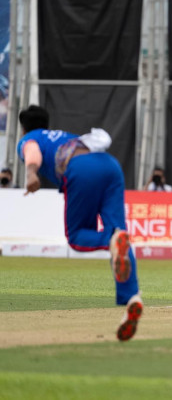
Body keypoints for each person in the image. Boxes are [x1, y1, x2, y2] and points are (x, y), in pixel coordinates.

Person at [17, 105, 143, 341]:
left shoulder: (29, 138)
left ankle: (111, 240)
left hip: (82, 170)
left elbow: (32, 152)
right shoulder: (63, 135)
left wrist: (31, 174)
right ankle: (132, 299)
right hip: (110, 165)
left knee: (77, 235)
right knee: (120, 237)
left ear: (23, 128)